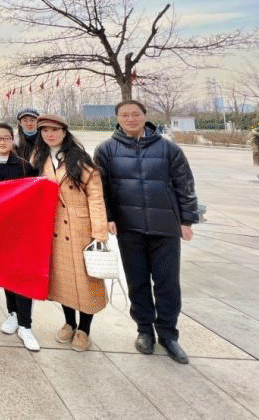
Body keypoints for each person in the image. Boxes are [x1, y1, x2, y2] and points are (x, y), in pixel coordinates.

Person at [95, 99, 199, 364]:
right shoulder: (106, 150)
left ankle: (168, 334)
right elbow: (101, 188)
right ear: (117, 118)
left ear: (145, 116)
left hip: (165, 227)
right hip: (129, 227)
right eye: (125, 115)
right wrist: (108, 217)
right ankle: (144, 330)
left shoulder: (168, 149)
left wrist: (187, 220)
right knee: (137, 282)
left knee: (167, 283)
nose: (130, 119)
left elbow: (185, 185)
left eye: (135, 114)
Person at [31, 114, 108, 353]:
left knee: (85, 281)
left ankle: (84, 329)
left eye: (55, 130)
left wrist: (99, 233)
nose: (50, 134)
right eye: (45, 130)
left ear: (65, 132)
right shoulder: (39, 158)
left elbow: (95, 198)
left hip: (80, 228)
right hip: (53, 226)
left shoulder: (80, 160)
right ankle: (69, 323)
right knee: (62, 280)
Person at [0, 122, 39, 351]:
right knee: (6, 273)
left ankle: (26, 325)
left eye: (6, 138)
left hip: (21, 229)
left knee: (23, 274)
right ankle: (13, 314)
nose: (2, 142)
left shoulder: (25, 166)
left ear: (13, 140)